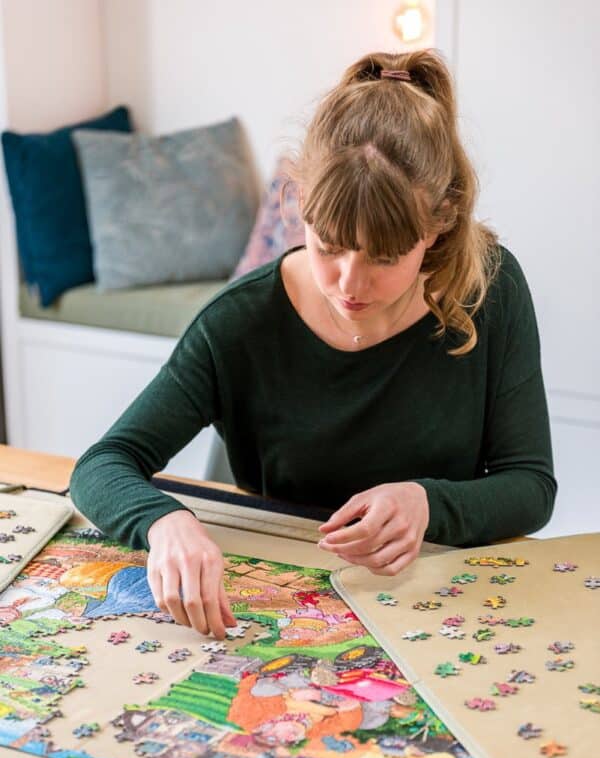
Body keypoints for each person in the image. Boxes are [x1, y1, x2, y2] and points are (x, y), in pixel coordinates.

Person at [70, 50, 556, 640]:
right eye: (328, 246)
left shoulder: (492, 290)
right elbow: (101, 465)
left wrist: (428, 503)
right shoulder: (240, 320)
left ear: (437, 228)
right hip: (283, 604)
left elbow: (531, 486)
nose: (350, 285)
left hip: (443, 603)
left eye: (383, 257)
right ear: (299, 204)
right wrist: (163, 522)